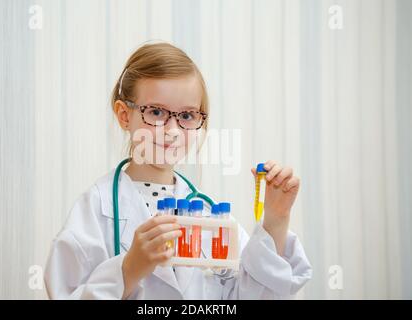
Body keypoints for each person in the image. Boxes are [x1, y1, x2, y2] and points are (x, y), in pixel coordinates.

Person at [44, 42, 312, 299]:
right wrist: (128, 271)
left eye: (186, 116)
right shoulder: (95, 210)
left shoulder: (210, 215)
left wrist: (276, 219)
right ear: (125, 115)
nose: (172, 131)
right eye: (157, 112)